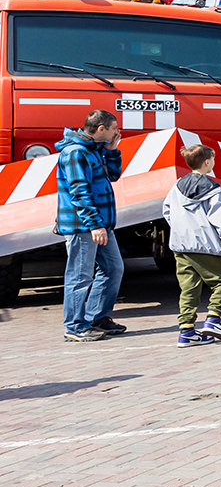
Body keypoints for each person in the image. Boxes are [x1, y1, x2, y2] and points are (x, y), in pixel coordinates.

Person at [56, 109, 126, 342]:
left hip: (100, 223)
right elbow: (79, 191)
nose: (118, 132)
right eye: (114, 128)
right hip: (85, 225)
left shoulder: (93, 150)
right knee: (80, 275)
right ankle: (75, 326)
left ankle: (97, 317)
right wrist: (95, 225)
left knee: (113, 268)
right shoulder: (76, 153)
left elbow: (112, 176)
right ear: (101, 129)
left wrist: (112, 151)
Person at [162, 144, 221, 347]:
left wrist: (182, 230)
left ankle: (186, 331)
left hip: (181, 246)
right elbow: (220, 220)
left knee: (188, 288)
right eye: (213, 160)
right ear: (207, 162)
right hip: (205, 246)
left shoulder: (177, 185)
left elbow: (167, 210)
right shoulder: (213, 189)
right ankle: (214, 320)